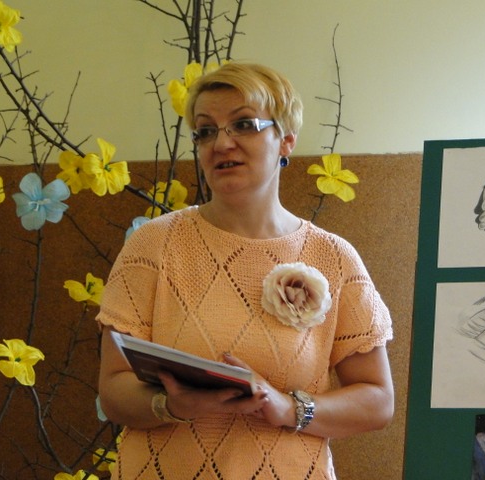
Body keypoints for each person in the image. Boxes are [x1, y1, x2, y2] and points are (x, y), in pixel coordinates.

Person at [97, 62, 394, 479]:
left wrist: (289, 408)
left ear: (286, 140)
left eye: (244, 124)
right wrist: (169, 405)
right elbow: (113, 388)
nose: (221, 143)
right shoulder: (153, 245)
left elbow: (377, 400)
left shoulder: (334, 257)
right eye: (205, 131)